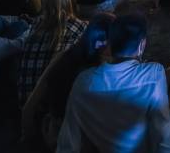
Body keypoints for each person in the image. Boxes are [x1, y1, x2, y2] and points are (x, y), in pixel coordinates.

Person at [58, 13, 170, 153]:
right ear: (142, 45)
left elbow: (68, 141)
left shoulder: (83, 82)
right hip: (150, 145)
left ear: (111, 44)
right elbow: (163, 133)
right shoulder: (154, 73)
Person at [21, 13, 115, 148]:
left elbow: (29, 107)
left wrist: (28, 138)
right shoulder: (98, 73)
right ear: (104, 43)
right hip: (71, 138)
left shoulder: (64, 56)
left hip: (53, 129)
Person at [17, 0, 87, 104]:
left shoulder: (37, 24)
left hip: (24, 97)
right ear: (68, 3)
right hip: (52, 102)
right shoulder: (78, 26)